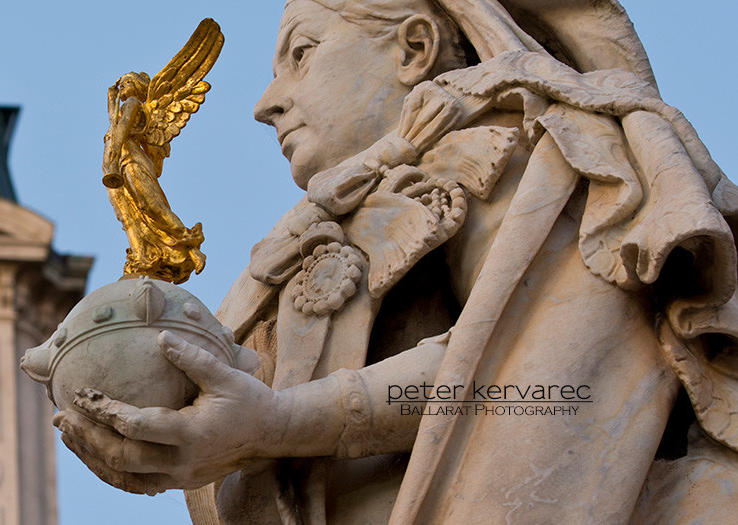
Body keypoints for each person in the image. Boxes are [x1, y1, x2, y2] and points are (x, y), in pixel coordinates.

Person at [52, 0, 738, 522]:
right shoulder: (322, 226)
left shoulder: (512, 146)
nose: (266, 103)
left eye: (302, 54)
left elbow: (525, 368)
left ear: (414, 48)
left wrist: (277, 420)